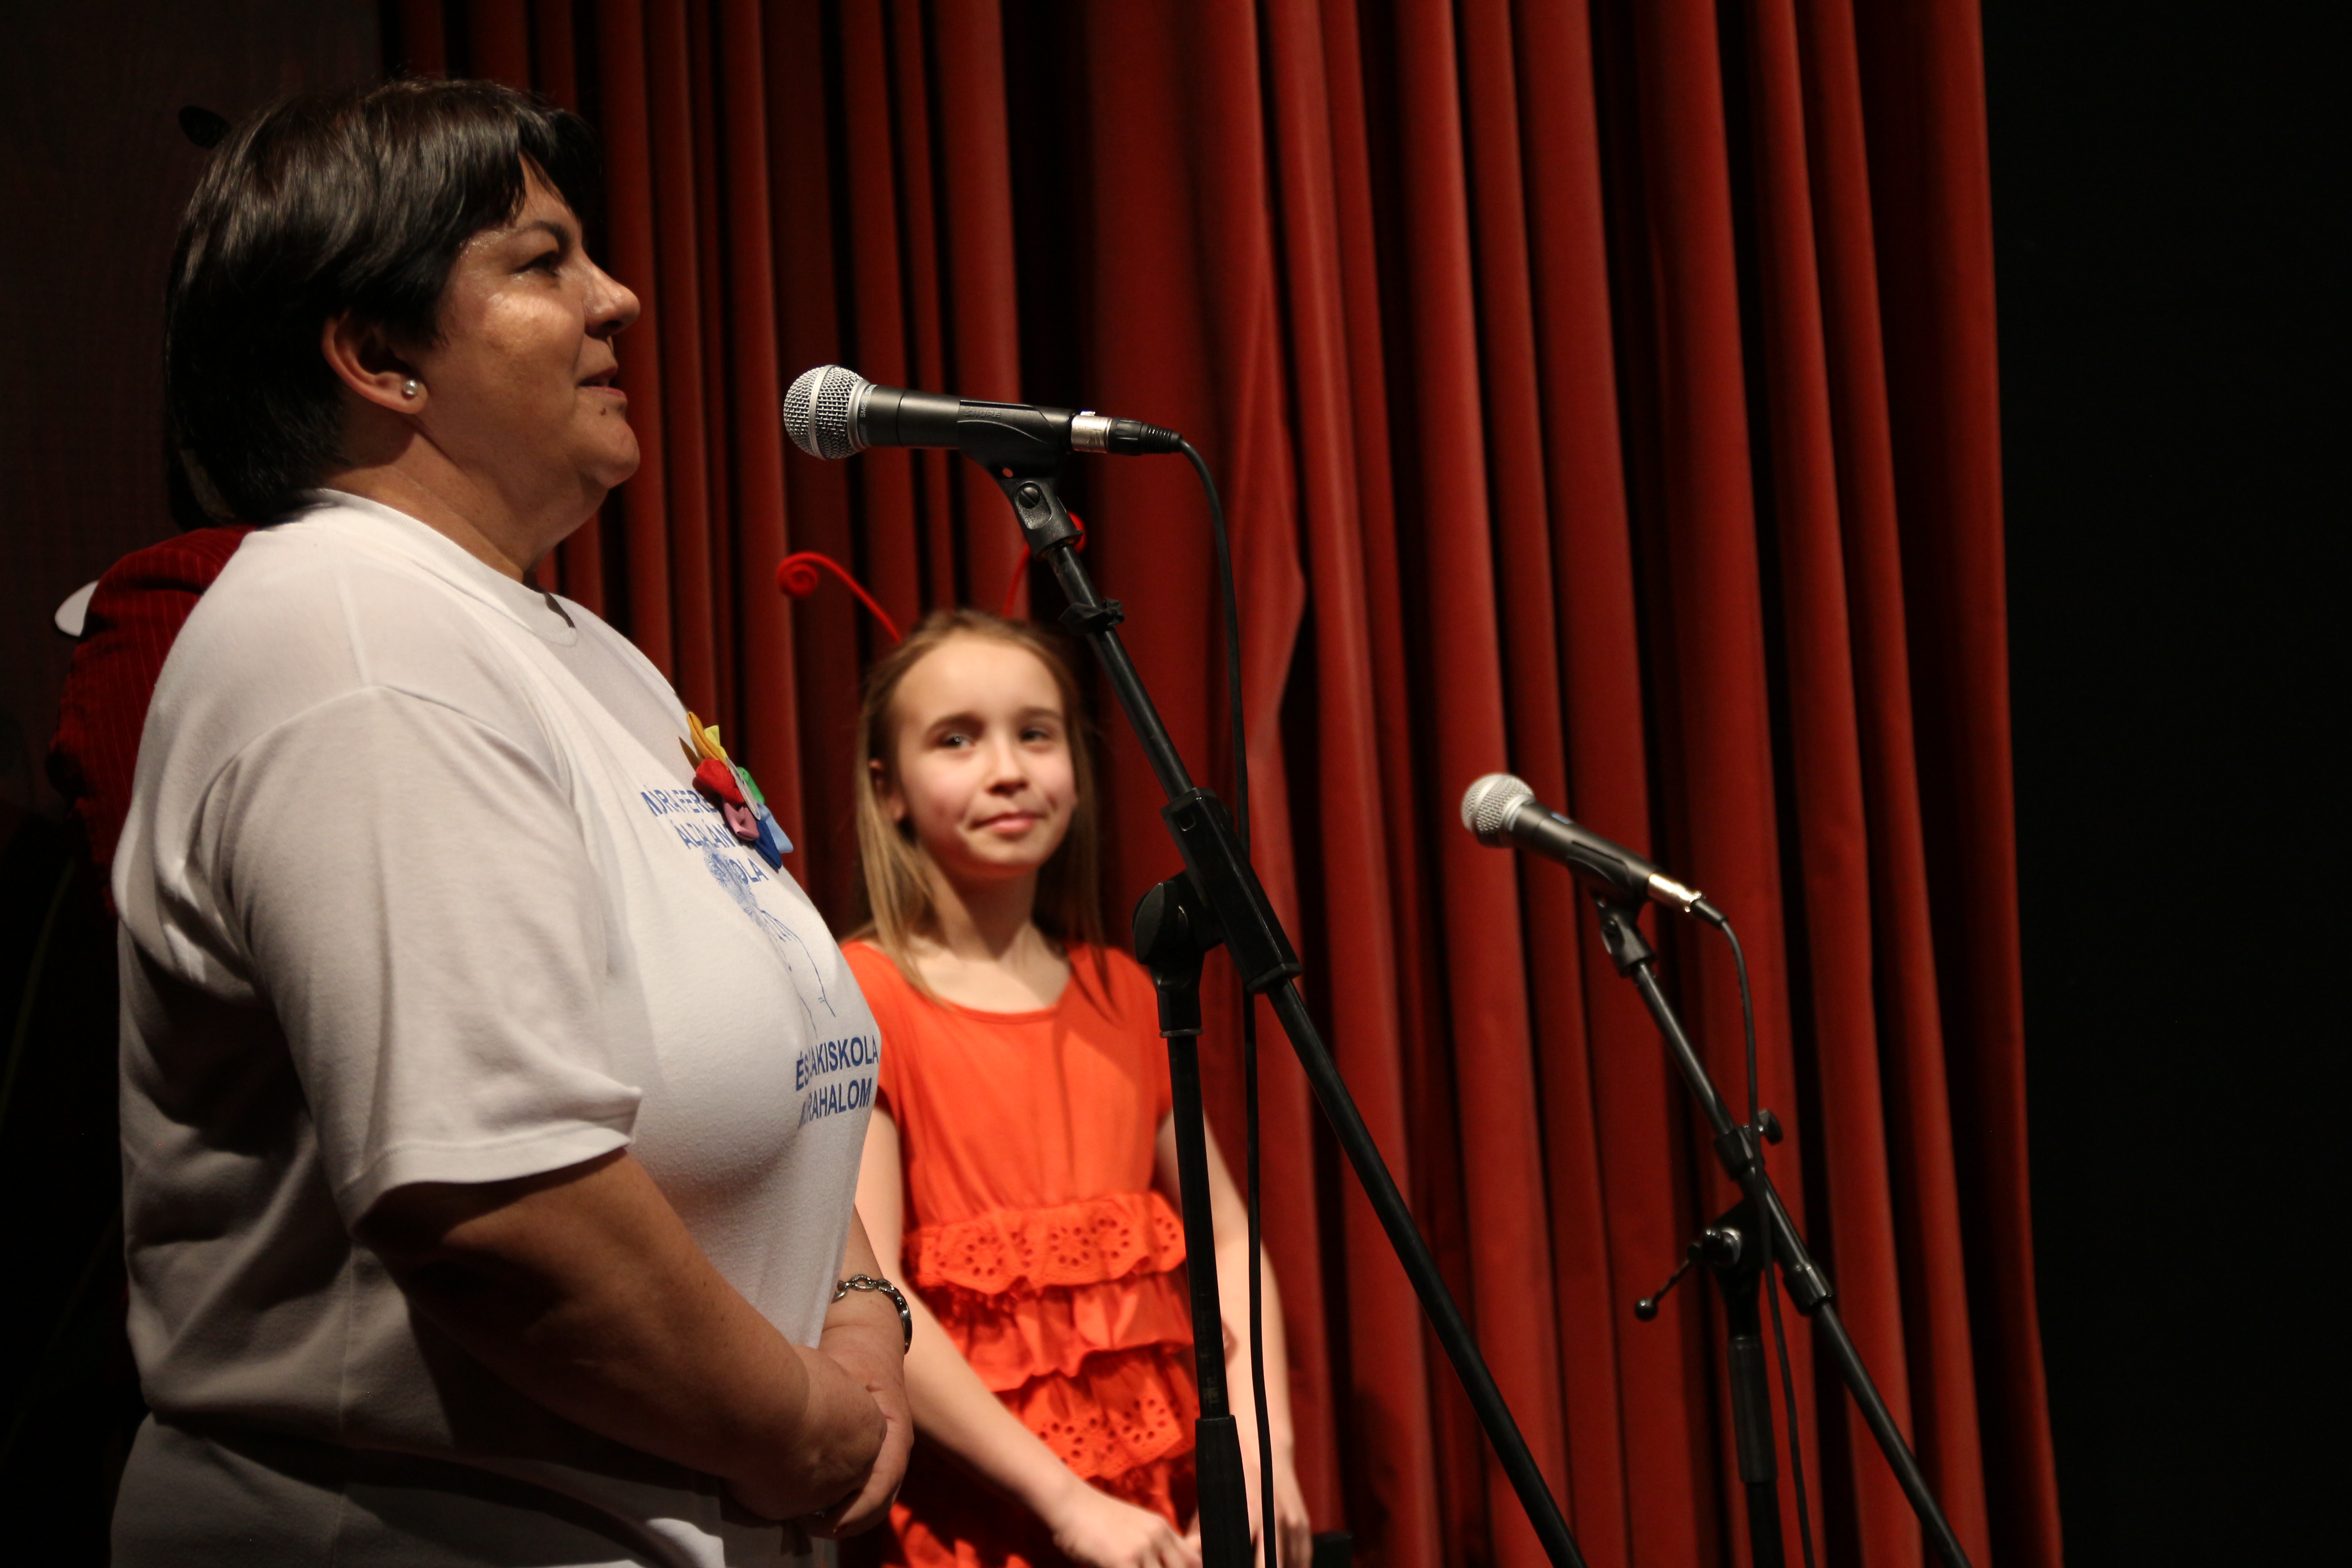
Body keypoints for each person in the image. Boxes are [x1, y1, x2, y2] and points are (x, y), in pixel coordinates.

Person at [112, 78, 908, 1565]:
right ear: (379, 355)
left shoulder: (574, 647)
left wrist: (861, 1313)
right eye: (544, 261)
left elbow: (773, 1051)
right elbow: (502, 1214)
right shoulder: (352, 645)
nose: (620, 299)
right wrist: (808, 1428)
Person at [842, 610, 1313, 1568]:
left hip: (1161, 1517)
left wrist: (1267, 1459)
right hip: (981, 1521)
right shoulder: (864, 994)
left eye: (1036, 733)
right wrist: (1065, 1501)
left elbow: (1226, 1237)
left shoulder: (1126, 991)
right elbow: (871, 1288)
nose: (1007, 770)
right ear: (888, 791)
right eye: (957, 739)